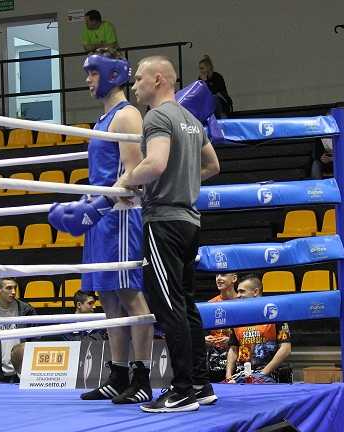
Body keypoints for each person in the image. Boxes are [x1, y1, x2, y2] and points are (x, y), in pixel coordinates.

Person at [50, 48, 154, 405]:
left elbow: (134, 172)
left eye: (93, 72)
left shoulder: (126, 115)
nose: (88, 79)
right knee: (108, 298)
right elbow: (105, 174)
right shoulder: (103, 119)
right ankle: (118, 374)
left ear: (113, 74)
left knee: (129, 295)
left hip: (120, 216)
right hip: (102, 215)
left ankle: (142, 377)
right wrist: (87, 203)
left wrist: (99, 205)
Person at [118, 56, 221, 413]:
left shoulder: (157, 117)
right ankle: (200, 383)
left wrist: (126, 180)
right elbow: (213, 165)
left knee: (168, 305)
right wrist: (185, 180)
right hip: (189, 222)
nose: (134, 85)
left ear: (158, 79)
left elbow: (156, 163)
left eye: (139, 79)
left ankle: (181, 390)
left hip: (164, 221)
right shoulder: (191, 120)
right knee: (185, 303)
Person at [224, 275, 292, 384]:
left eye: (242, 291)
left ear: (255, 292)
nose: (238, 295)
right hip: (241, 375)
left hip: (268, 375)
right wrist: (228, 376)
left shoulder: (276, 314)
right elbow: (233, 349)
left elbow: (285, 349)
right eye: (238, 291)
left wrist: (262, 374)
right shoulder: (236, 317)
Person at [205, 273, 237, 382]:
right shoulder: (210, 304)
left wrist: (232, 341)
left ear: (234, 278)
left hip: (238, 354)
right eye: (216, 275)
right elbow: (200, 331)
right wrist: (204, 339)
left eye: (223, 275)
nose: (218, 278)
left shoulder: (243, 302)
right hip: (214, 356)